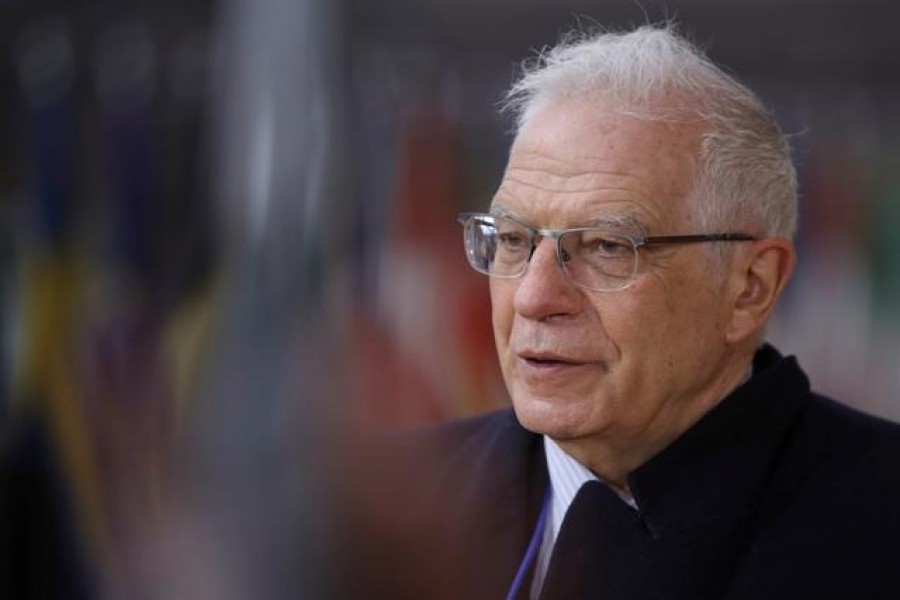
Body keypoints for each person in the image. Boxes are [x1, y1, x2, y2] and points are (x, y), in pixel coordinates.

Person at [345, 22, 900, 600]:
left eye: (607, 247)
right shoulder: (372, 512)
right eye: (512, 239)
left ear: (750, 287)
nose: (534, 297)